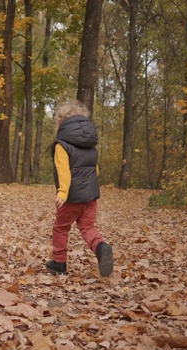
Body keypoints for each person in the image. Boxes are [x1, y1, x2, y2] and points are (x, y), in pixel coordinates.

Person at [45, 100, 113, 277]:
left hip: (71, 198)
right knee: (88, 227)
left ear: (62, 122)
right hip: (90, 198)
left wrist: (62, 192)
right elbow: (94, 170)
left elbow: (63, 171)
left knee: (60, 228)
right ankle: (100, 247)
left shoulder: (62, 145)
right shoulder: (90, 146)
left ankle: (59, 263)